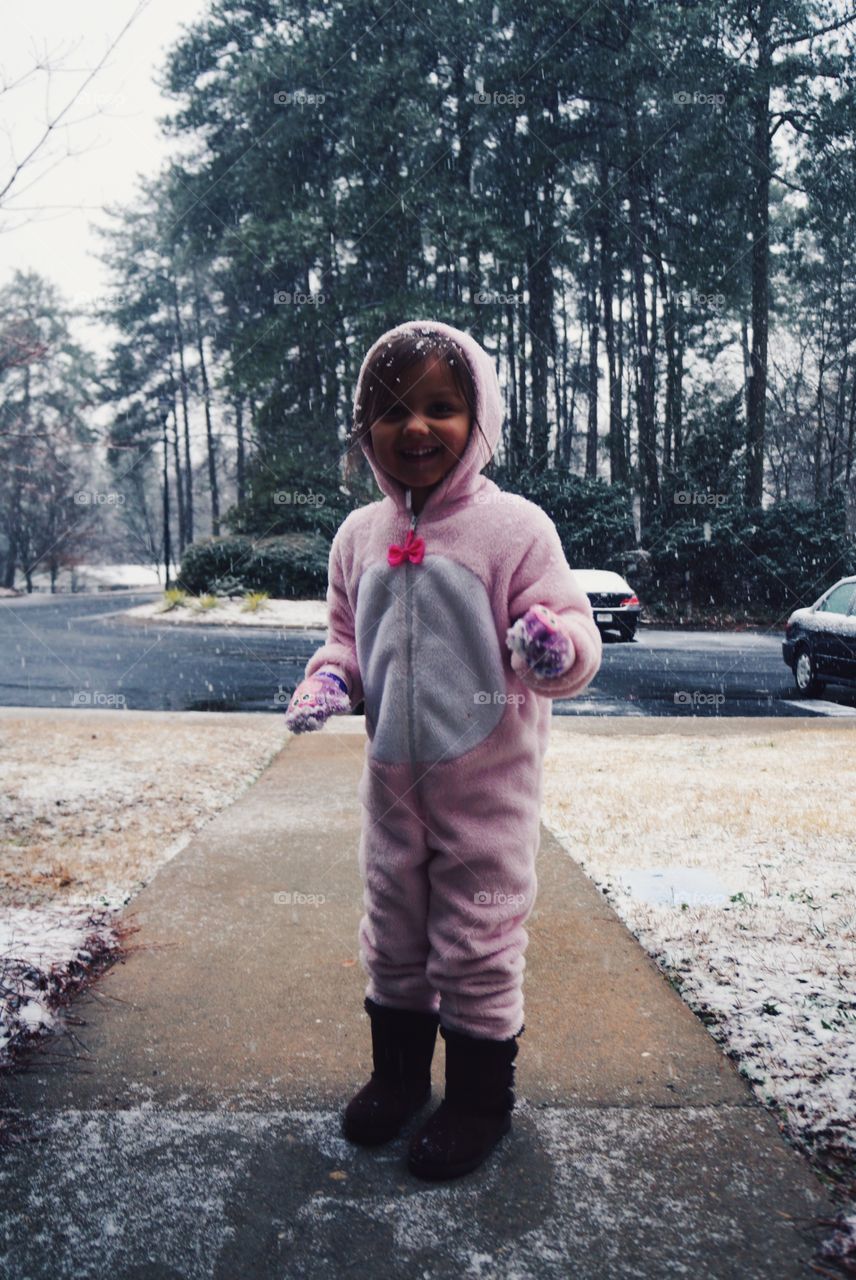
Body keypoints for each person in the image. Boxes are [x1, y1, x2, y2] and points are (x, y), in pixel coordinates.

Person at [285, 319, 602, 1180]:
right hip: (392, 786)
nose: (416, 427)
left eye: (441, 407)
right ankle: (396, 1079)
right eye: (391, 410)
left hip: (487, 788)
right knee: (392, 931)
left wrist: (553, 647)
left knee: (478, 937)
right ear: (365, 428)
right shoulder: (358, 537)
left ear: (479, 419)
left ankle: (477, 1100)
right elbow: (347, 640)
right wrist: (330, 679)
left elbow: (571, 628)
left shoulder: (516, 529)